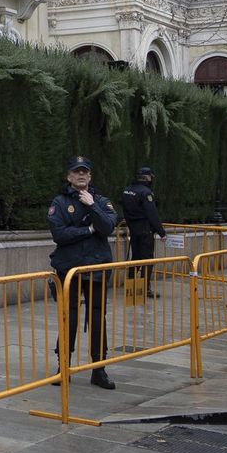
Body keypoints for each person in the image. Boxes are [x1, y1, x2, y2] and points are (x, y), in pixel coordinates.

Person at [47, 156, 118, 390]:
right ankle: (63, 367)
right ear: (68, 176)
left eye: (84, 172)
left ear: (90, 176)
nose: (81, 175)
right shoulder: (59, 202)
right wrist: (88, 229)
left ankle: (99, 369)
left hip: (96, 268)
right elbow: (60, 234)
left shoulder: (101, 201)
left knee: (97, 318)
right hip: (70, 269)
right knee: (70, 318)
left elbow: (107, 227)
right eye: (76, 172)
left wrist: (92, 206)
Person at [118, 166, 167, 297]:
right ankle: (145, 289)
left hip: (133, 229)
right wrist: (161, 232)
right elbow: (152, 214)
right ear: (146, 178)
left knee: (135, 258)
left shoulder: (127, 190)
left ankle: (130, 287)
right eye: (150, 177)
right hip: (145, 230)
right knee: (147, 260)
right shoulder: (146, 192)